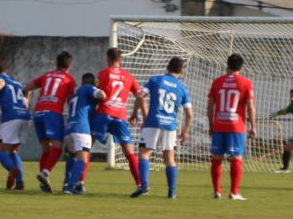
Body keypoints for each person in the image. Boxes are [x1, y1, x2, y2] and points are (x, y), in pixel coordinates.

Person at [132, 56, 193, 199]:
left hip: (153, 122)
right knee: (169, 158)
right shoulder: (182, 88)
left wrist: (135, 113)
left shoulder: (156, 80)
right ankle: (172, 192)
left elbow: (140, 95)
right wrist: (185, 131)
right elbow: (189, 114)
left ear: (167, 67)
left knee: (144, 153)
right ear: (181, 71)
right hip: (170, 126)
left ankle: (144, 185)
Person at [93, 47, 147, 187]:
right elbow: (140, 96)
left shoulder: (103, 73)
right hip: (120, 117)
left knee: (86, 146)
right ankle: (141, 185)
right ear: (121, 59)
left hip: (103, 113)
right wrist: (143, 116)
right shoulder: (129, 76)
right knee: (129, 152)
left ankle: (76, 182)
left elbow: (97, 95)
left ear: (107, 58)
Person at [208, 53, 256, 200]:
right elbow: (250, 107)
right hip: (236, 126)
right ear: (241, 67)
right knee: (236, 158)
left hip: (219, 125)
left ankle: (217, 191)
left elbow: (210, 106)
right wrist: (253, 126)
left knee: (216, 158)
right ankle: (234, 192)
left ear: (227, 65)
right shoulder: (246, 83)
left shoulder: (217, 82)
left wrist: (211, 125)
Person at [26, 51, 76, 192]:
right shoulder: (69, 79)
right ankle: (45, 173)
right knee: (58, 147)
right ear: (69, 66)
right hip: (52, 113)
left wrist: (26, 100)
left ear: (56, 64)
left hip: (38, 112)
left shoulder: (47, 75)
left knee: (46, 148)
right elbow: (71, 102)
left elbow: (27, 87)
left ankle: (44, 182)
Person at [0, 61, 31, 190]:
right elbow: (27, 90)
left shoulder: (0, 79)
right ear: (6, 70)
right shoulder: (17, 83)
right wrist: (26, 100)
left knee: (1, 151)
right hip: (25, 116)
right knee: (13, 151)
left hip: (11, 117)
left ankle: (13, 170)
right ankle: (19, 182)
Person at [62, 73, 105, 194]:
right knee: (83, 158)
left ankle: (66, 184)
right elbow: (101, 95)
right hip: (81, 129)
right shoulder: (88, 88)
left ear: (82, 82)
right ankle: (71, 187)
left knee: (72, 156)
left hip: (69, 129)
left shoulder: (76, 94)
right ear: (94, 83)